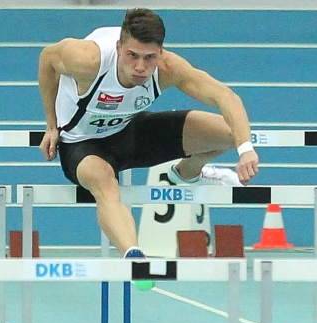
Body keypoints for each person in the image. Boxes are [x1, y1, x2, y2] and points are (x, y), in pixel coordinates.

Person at [38, 7, 260, 263]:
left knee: (229, 132)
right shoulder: (86, 60)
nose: (141, 67)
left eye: (149, 58)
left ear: (161, 53)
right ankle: (134, 257)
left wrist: (246, 149)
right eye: (132, 55)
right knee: (105, 185)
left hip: (130, 132)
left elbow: (226, 96)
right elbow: (47, 60)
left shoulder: (167, 68)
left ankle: (188, 172)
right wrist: (52, 125)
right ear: (119, 47)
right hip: (82, 144)